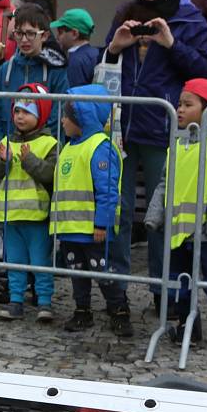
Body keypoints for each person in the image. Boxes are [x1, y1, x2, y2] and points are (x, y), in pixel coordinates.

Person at [105, 0, 207, 318]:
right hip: (122, 127)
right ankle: (115, 292)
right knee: (117, 212)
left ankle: (161, 293)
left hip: (162, 129)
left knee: (157, 216)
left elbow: (205, 72)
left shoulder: (189, 19)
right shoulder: (126, 12)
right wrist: (115, 47)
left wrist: (171, 44)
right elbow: (107, 64)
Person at [144, 78, 207, 349]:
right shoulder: (178, 143)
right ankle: (187, 325)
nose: (180, 110)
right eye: (179, 104)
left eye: (188, 104)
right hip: (178, 229)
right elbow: (165, 182)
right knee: (179, 279)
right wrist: (155, 214)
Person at [51, 84, 132, 337]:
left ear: (82, 117)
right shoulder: (68, 147)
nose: (62, 120)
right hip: (70, 230)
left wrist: (102, 224)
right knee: (77, 272)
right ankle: (82, 310)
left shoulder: (99, 147)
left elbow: (108, 191)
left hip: (92, 230)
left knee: (103, 271)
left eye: (67, 115)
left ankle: (119, 309)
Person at [0, 84, 57, 322]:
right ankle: (15, 300)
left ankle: (44, 302)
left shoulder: (50, 143)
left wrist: (29, 160)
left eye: (27, 111)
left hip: (36, 216)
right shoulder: (6, 141)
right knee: (14, 261)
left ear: (41, 115)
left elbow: (50, 174)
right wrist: (2, 161)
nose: (20, 116)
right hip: (10, 215)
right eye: (17, 110)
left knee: (40, 262)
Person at [0, 4, 69, 147]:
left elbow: (59, 115)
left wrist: (41, 148)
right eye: (19, 33)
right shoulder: (5, 69)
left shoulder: (56, 69)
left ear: (44, 35)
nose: (24, 40)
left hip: (44, 153)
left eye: (31, 33)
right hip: (7, 152)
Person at [50, 8, 100, 88]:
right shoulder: (97, 53)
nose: (57, 37)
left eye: (60, 32)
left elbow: (73, 95)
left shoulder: (75, 61)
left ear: (74, 34)